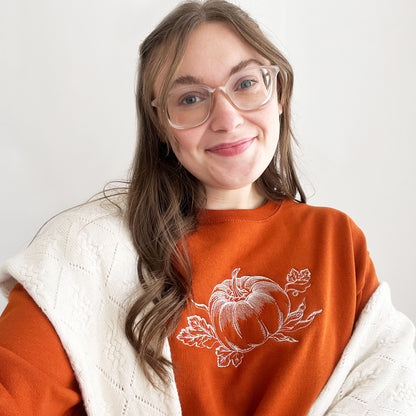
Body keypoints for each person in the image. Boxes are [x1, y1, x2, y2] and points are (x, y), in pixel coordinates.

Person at [0, 1, 415, 415]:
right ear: (161, 124)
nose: (227, 119)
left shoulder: (337, 241)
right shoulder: (85, 252)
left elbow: (394, 387)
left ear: (280, 93)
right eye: (192, 98)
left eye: (246, 83)